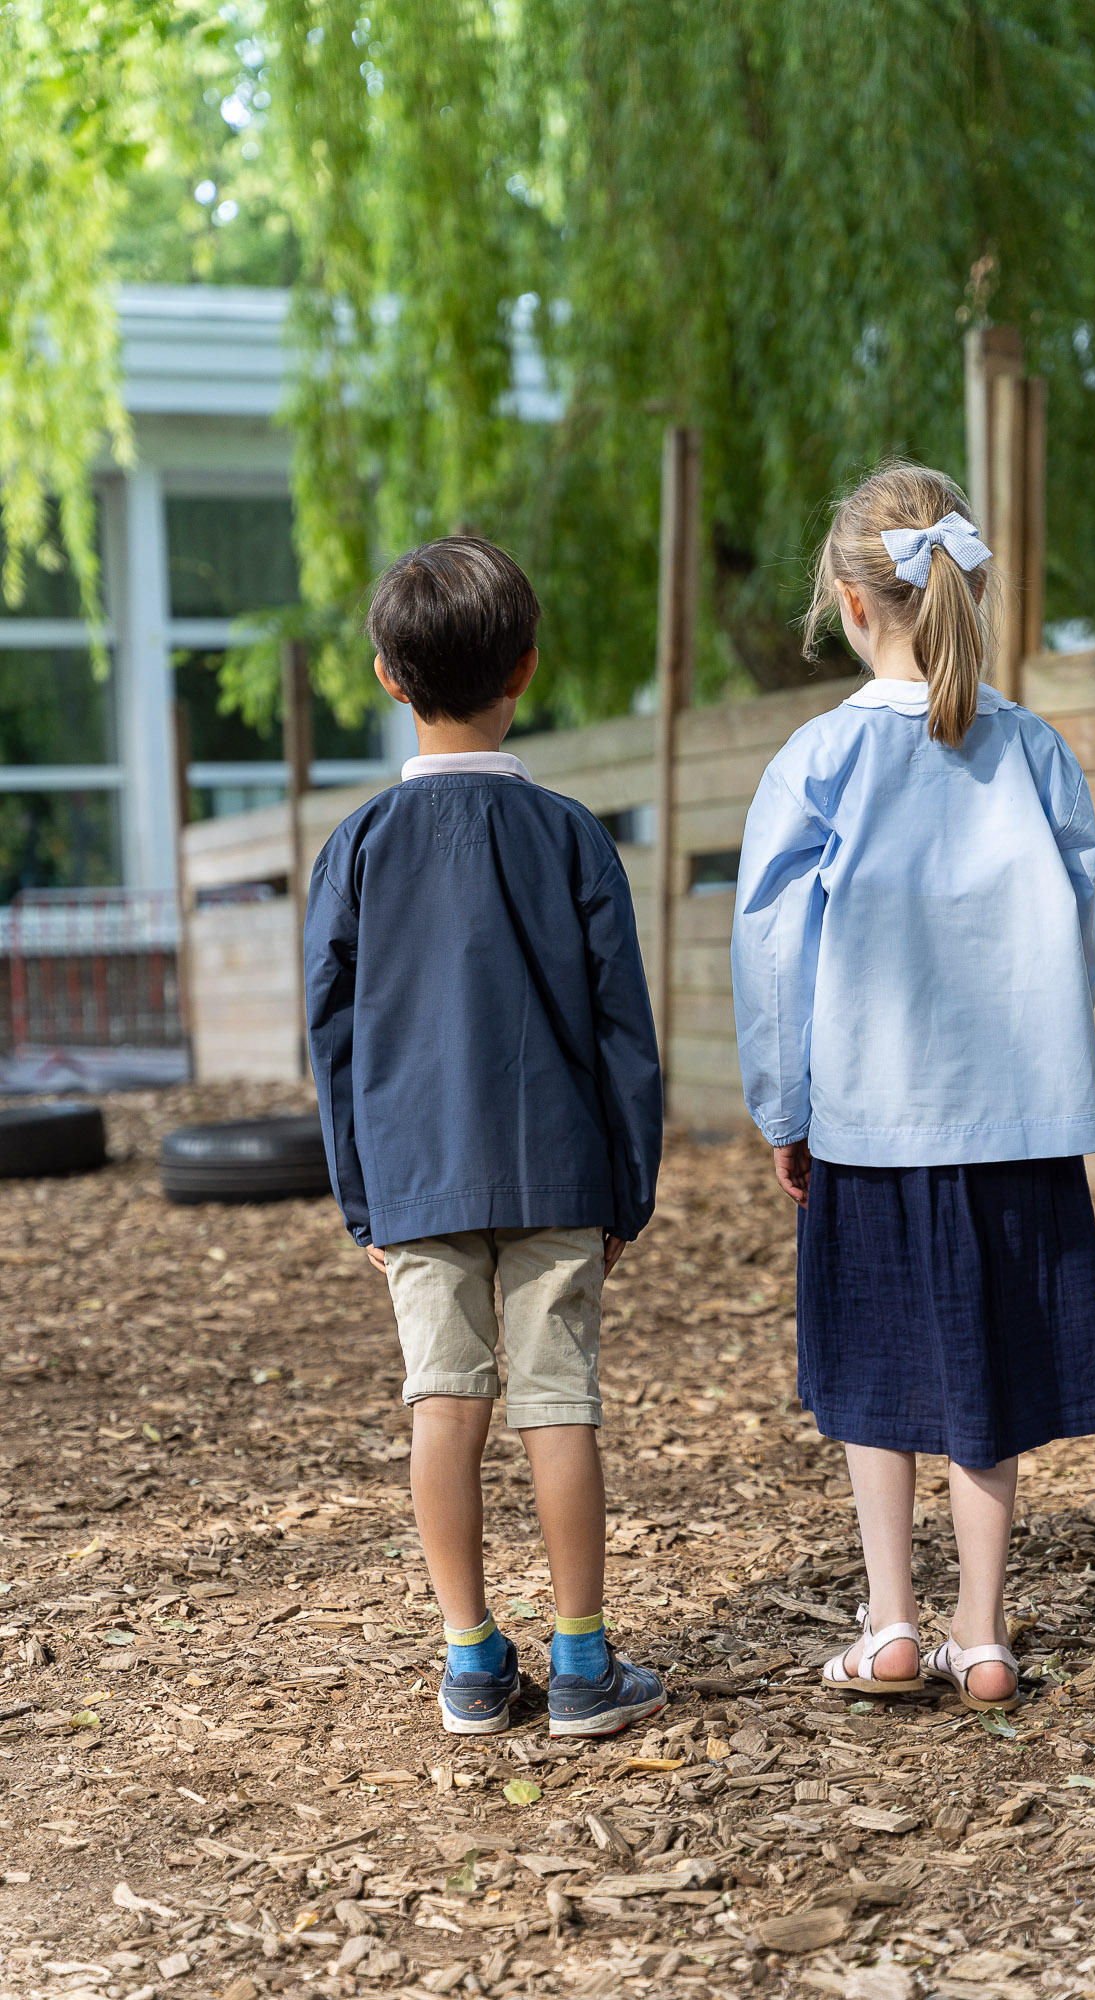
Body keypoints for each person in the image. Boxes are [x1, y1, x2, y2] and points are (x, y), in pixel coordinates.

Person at [730, 462, 1095, 1712]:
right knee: (988, 1367)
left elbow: (772, 946)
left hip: (868, 1114)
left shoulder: (817, 756)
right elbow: (1078, 931)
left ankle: (890, 1616)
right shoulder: (1037, 751)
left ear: (849, 605)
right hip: (1015, 1114)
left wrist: (780, 1107)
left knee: (874, 1361)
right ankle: (985, 1630)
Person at [304, 536, 666, 1739]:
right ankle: (581, 1661)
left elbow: (335, 1037)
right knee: (559, 1401)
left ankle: (468, 1658)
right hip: (561, 1160)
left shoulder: (355, 849)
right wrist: (628, 1184)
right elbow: (623, 1025)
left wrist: (362, 1196)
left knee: (440, 1404)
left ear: (385, 677)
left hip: (414, 1172)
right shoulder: (570, 837)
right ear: (525, 666)